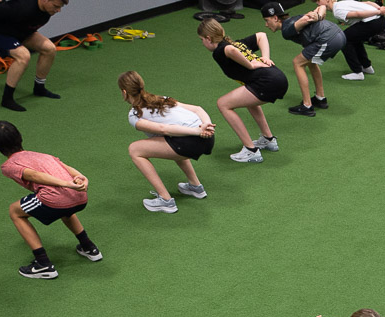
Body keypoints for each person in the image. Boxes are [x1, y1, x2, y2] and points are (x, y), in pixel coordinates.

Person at [0, 121, 101, 278]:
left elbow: (34, 175)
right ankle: (89, 247)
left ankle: (43, 264)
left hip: (59, 197)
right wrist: (81, 178)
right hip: (80, 197)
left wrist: (66, 184)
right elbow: (67, 168)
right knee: (65, 208)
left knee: (15, 211)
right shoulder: (40, 155)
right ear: (20, 137)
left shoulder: (9, 166)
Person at [118, 70, 216, 212]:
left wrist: (198, 131)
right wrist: (206, 126)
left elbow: (164, 129)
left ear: (124, 92)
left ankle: (165, 200)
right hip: (208, 137)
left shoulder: (134, 115)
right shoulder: (161, 99)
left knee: (134, 149)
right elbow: (198, 109)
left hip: (193, 140)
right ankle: (196, 187)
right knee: (168, 140)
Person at [196, 16, 287, 163]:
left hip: (268, 82)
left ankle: (251, 150)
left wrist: (252, 64)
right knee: (249, 101)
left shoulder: (221, 50)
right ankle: (268, 139)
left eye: (202, 40)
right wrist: (265, 57)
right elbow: (261, 36)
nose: (202, 43)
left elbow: (230, 50)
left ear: (208, 38)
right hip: (276, 78)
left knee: (223, 104)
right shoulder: (236, 43)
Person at [0, 0, 69, 112]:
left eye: (60, 7)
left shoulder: (46, 9)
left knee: (49, 49)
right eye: (56, 6)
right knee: (23, 56)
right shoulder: (21, 8)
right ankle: (7, 99)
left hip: (18, 30)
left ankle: (39, 88)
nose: (58, 10)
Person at [260, 3, 345, 116]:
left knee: (297, 63)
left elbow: (305, 19)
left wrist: (316, 17)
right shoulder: (295, 17)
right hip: (339, 35)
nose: (266, 25)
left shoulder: (286, 29)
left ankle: (307, 106)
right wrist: (318, 15)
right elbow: (323, 6)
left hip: (328, 38)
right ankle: (320, 98)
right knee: (310, 62)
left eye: (267, 20)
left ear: (275, 18)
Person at [330, 1, 385, 79]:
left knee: (343, 39)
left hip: (374, 23)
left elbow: (358, 14)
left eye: (318, 0)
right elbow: (367, 2)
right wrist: (379, 8)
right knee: (354, 38)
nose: (317, 3)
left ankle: (357, 72)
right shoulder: (342, 3)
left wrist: (379, 11)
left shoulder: (337, 11)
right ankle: (367, 67)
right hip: (381, 20)